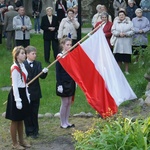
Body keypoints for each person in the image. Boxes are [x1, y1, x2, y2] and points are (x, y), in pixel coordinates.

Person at [5, 46, 31, 150]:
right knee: (15, 119)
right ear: (16, 55)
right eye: (22, 53)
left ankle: (21, 140)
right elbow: (15, 85)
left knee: (21, 119)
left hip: (23, 92)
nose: (24, 55)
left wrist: (26, 94)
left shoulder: (22, 65)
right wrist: (18, 100)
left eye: (24, 53)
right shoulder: (14, 67)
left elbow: (24, 82)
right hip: (17, 94)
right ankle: (15, 143)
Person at [24, 46, 48, 138]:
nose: (35, 55)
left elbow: (42, 77)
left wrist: (44, 72)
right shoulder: (23, 64)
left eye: (35, 54)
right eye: (33, 54)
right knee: (27, 112)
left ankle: (35, 130)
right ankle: (28, 131)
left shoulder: (38, 64)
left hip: (35, 91)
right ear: (27, 55)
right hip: (26, 91)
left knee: (34, 112)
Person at [56, 37, 76, 129]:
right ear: (63, 45)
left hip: (70, 81)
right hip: (63, 82)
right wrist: (59, 84)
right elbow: (58, 72)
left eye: (70, 44)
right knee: (64, 102)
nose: (69, 46)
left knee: (69, 102)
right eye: (67, 44)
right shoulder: (60, 56)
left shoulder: (71, 55)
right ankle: (62, 122)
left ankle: (67, 121)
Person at [111, 10, 134, 75]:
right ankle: (118, 70)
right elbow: (113, 30)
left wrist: (126, 34)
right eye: (120, 15)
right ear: (118, 16)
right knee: (118, 56)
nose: (121, 16)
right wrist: (118, 34)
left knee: (126, 56)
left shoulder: (129, 22)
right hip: (118, 41)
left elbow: (133, 31)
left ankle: (126, 70)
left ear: (125, 16)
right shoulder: (115, 23)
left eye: (122, 15)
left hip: (126, 41)